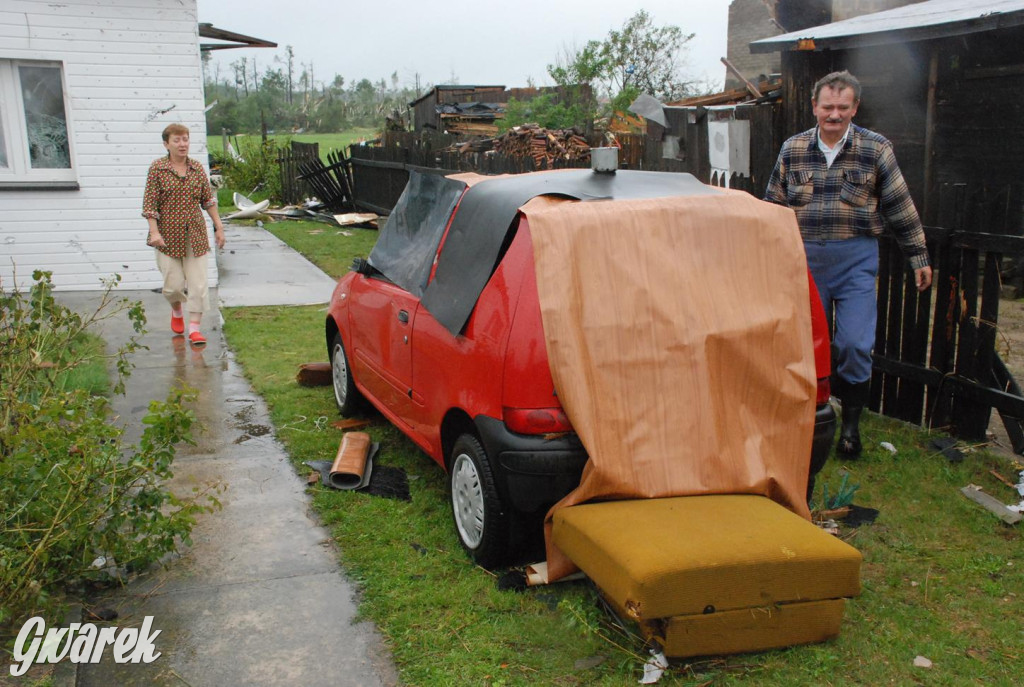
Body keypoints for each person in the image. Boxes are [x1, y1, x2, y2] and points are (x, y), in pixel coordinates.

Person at [765, 70, 932, 461]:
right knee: (806, 347)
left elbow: (899, 206)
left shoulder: (876, 150)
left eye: (843, 107)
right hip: (804, 262)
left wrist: (918, 255)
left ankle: (852, 428)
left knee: (854, 345)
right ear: (814, 107)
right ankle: (810, 422)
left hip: (856, 259)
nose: (834, 115)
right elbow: (772, 208)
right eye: (828, 107)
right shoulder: (793, 149)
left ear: (855, 107)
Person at [142, 123, 225, 346]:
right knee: (173, 286)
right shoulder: (157, 169)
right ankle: (176, 309)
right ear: (166, 144)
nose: (182, 144)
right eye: (177, 140)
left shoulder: (197, 168)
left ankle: (195, 330)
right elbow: (150, 205)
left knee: (198, 283)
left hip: (194, 235)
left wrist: (218, 226)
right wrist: (154, 232)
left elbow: (208, 200)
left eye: (185, 139)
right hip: (166, 236)